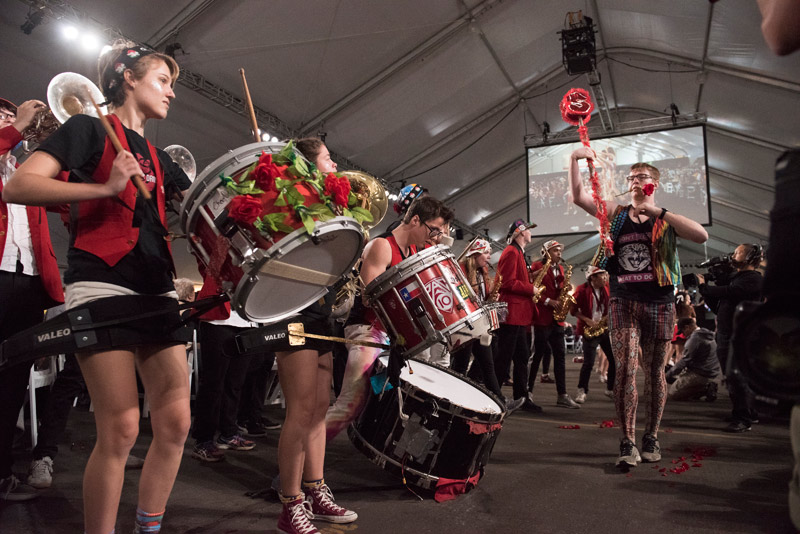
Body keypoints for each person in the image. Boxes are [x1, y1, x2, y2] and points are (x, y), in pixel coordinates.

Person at [5, 41, 192, 533]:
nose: (171, 93)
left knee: (175, 424)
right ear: (128, 78)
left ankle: (148, 528)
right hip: (102, 281)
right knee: (122, 426)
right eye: (162, 80)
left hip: (157, 290)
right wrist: (104, 188)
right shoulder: (86, 129)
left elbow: (200, 219)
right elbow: (19, 186)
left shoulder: (161, 158)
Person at [568, 147, 708, 468]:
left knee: (656, 373)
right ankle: (627, 440)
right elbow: (578, 196)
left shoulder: (665, 218)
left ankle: (651, 436)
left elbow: (700, 235)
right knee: (626, 370)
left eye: (641, 177)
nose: (634, 182)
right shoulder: (616, 214)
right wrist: (574, 159)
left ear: (654, 183)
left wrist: (656, 211)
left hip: (659, 301)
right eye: (630, 178)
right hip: (624, 299)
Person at [269, 137, 360, 534]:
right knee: (301, 409)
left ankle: (315, 489)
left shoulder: (325, 203)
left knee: (321, 406)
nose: (334, 162)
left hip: (321, 311)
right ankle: (290, 505)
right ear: (307, 164)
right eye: (326, 156)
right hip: (293, 310)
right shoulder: (294, 201)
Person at [325, 195, 454, 439]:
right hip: (367, 330)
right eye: (433, 229)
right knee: (349, 405)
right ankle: (302, 457)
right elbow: (369, 296)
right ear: (415, 220)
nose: (435, 235)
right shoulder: (382, 246)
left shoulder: (413, 249)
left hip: (390, 333)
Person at [0, 96, 64, 501]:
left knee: (11, 383)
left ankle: (2, 472)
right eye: (3, 114)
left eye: (10, 113)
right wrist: (15, 127)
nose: (10, 117)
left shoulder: (23, 169)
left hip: (28, 281)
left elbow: (64, 197)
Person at [450, 238, 523, 411]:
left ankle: (500, 401)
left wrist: (491, 299)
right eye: (486, 253)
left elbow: (484, 297)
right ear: (474, 253)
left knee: (488, 365)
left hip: (480, 325)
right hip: (464, 325)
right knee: (460, 366)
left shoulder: (482, 272)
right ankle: (455, 402)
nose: (489, 257)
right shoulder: (460, 271)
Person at [697, 243, 764, 432]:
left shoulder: (753, 279)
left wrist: (704, 287)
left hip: (740, 335)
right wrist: (708, 288)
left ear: (751, 258)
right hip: (727, 333)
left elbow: (728, 292)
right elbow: (719, 304)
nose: (733, 255)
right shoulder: (736, 279)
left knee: (736, 377)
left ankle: (742, 418)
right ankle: (747, 413)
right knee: (734, 376)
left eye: (738, 252)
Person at [494, 219, 542, 412]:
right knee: (504, 359)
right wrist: (532, 288)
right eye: (528, 230)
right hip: (513, 314)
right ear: (521, 232)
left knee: (521, 357)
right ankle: (495, 396)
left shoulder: (517, 252)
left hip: (518, 315)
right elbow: (506, 283)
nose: (531, 233)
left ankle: (522, 397)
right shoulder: (512, 252)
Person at [528, 240, 580, 409]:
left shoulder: (562, 268)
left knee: (560, 357)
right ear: (547, 252)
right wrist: (548, 301)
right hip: (541, 318)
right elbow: (532, 290)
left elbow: (559, 288)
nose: (559, 253)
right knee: (536, 357)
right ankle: (528, 392)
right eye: (555, 250)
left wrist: (565, 288)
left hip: (557, 319)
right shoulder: (536, 266)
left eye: (560, 250)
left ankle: (562, 395)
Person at [571, 266, 615, 403]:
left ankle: (610, 389)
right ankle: (582, 390)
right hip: (589, 329)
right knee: (588, 363)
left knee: (613, 360)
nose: (605, 277)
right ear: (593, 278)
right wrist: (587, 320)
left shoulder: (607, 287)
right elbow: (573, 310)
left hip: (604, 328)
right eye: (602, 275)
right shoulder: (581, 290)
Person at [666, 317, 721, 401]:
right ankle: (701, 387)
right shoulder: (705, 333)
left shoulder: (695, 339)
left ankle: (705, 388)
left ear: (687, 327)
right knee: (677, 379)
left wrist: (669, 374)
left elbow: (685, 361)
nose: (683, 335)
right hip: (711, 371)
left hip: (700, 373)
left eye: (683, 331)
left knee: (673, 393)